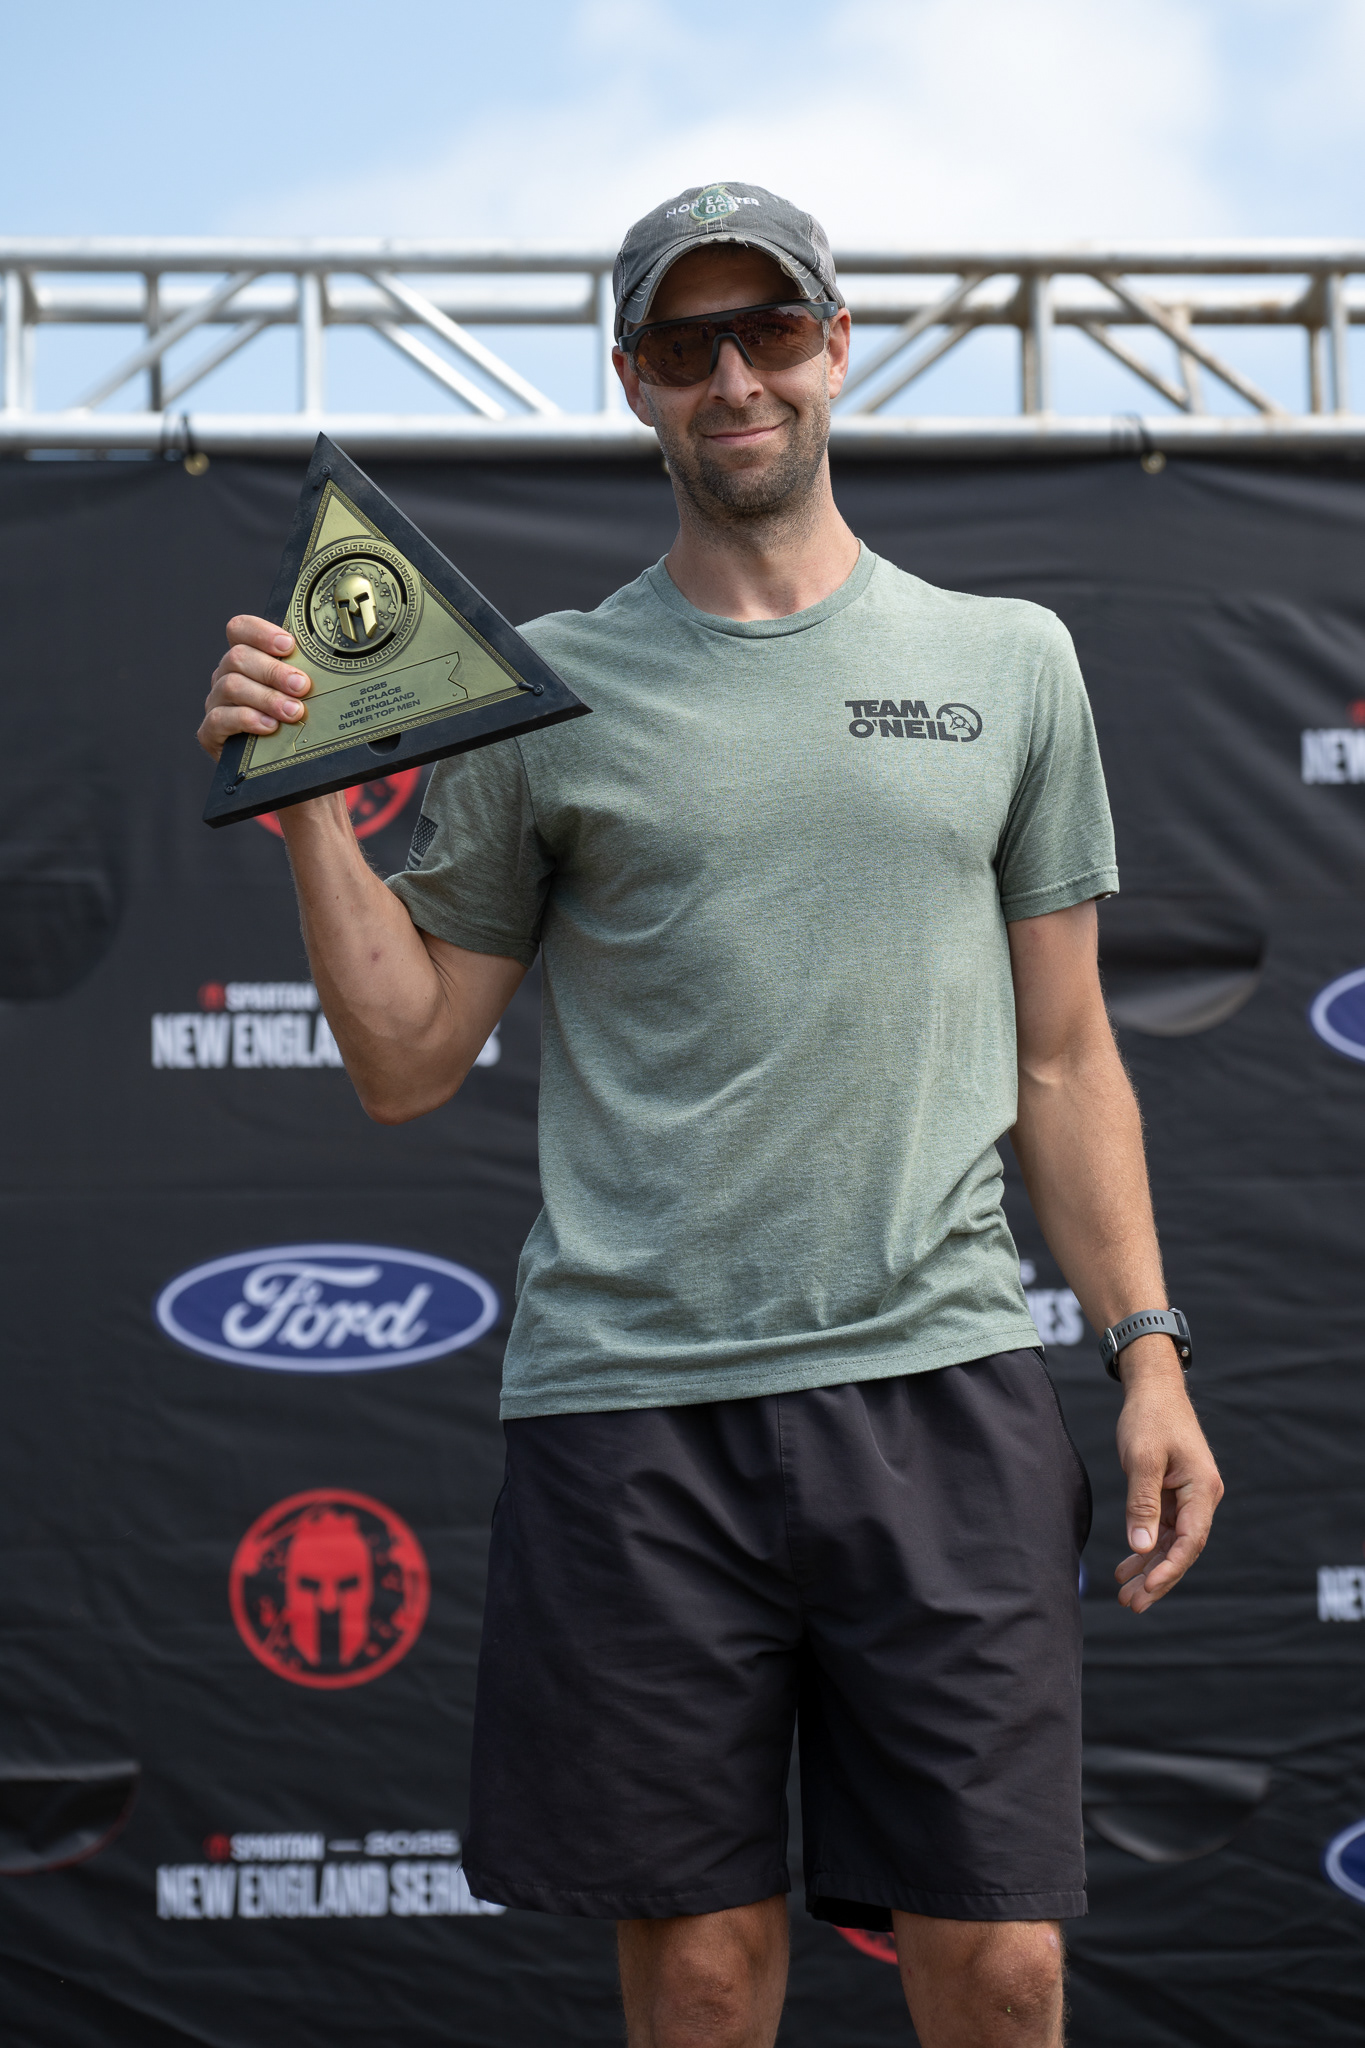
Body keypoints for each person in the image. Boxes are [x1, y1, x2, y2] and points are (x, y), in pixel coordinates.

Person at [199, 182, 1224, 2048]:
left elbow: (1066, 1059)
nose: (733, 376)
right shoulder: (542, 694)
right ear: (633, 381)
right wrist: (306, 803)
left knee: (1001, 1967)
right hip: (632, 1412)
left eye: (769, 330)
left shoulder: (1010, 662)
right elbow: (405, 1059)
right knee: (699, 1974)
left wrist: (1144, 1351)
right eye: (687, 344)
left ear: (836, 348)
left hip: (941, 1385)